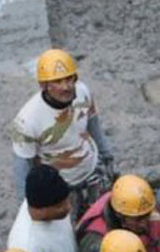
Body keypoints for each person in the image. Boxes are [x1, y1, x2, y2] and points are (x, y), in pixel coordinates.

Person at [9, 48, 115, 218]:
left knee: (103, 219)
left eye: (69, 79)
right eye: (57, 81)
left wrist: (107, 155)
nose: (66, 87)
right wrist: (26, 207)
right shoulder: (26, 121)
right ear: (43, 85)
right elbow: (22, 167)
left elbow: (93, 123)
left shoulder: (83, 92)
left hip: (92, 169)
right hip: (60, 186)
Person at [7, 164, 78, 252]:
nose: (68, 208)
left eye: (67, 201)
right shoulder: (25, 247)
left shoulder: (49, 202)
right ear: (39, 210)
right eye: (60, 206)